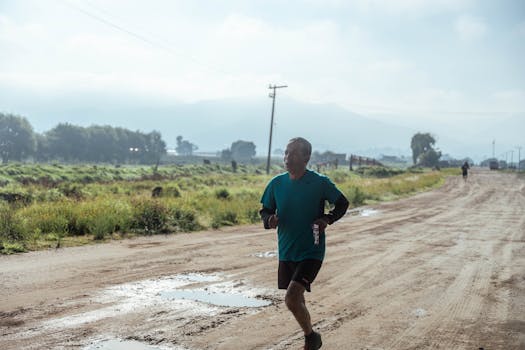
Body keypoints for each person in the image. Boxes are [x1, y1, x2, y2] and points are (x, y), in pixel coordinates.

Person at [260, 137, 349, 350]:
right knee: (297, 297)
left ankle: (310, 336)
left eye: (293, 153)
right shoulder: (276, 184)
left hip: (312, 251)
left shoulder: (320, 183)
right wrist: (269, 220)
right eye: (286, 153)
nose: (287, 158)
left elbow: (342, 203)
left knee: (291, 298)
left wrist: (327, 219)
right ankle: (312, 338)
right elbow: (265, 210)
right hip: (287, 251)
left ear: (306, 157)